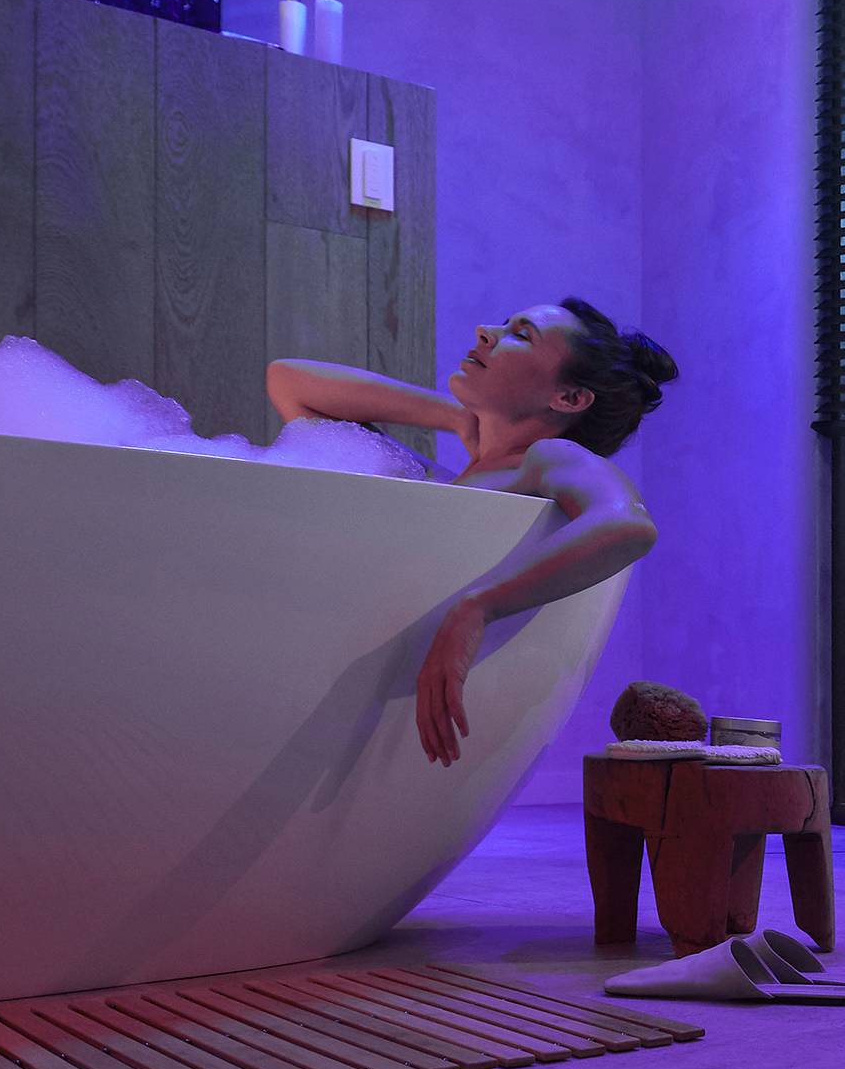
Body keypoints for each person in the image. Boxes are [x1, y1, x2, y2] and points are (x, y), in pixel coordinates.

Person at [265, 299, 671, 766]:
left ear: (570, 398)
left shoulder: (547, 457)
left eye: (522, 334)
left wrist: (477, 607)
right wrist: (456, 415)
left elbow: (628, 524)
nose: (485, 330)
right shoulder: (440, 484)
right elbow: (288, 382)